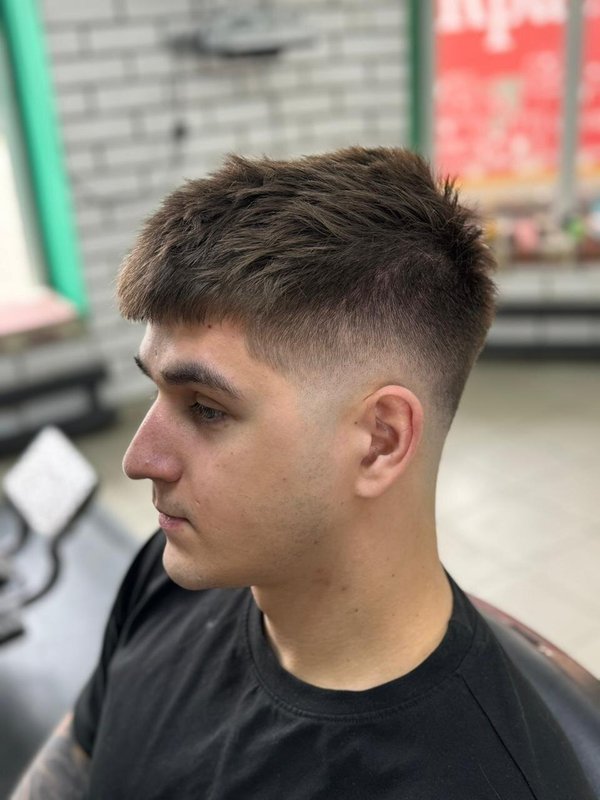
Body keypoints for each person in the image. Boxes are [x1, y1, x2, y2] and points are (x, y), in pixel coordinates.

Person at [11, 147, 593, 799]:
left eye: (206, 409)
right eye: (156, 391)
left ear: (379, 442)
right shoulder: (171, 576)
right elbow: (76, 761)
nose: (138, 459)